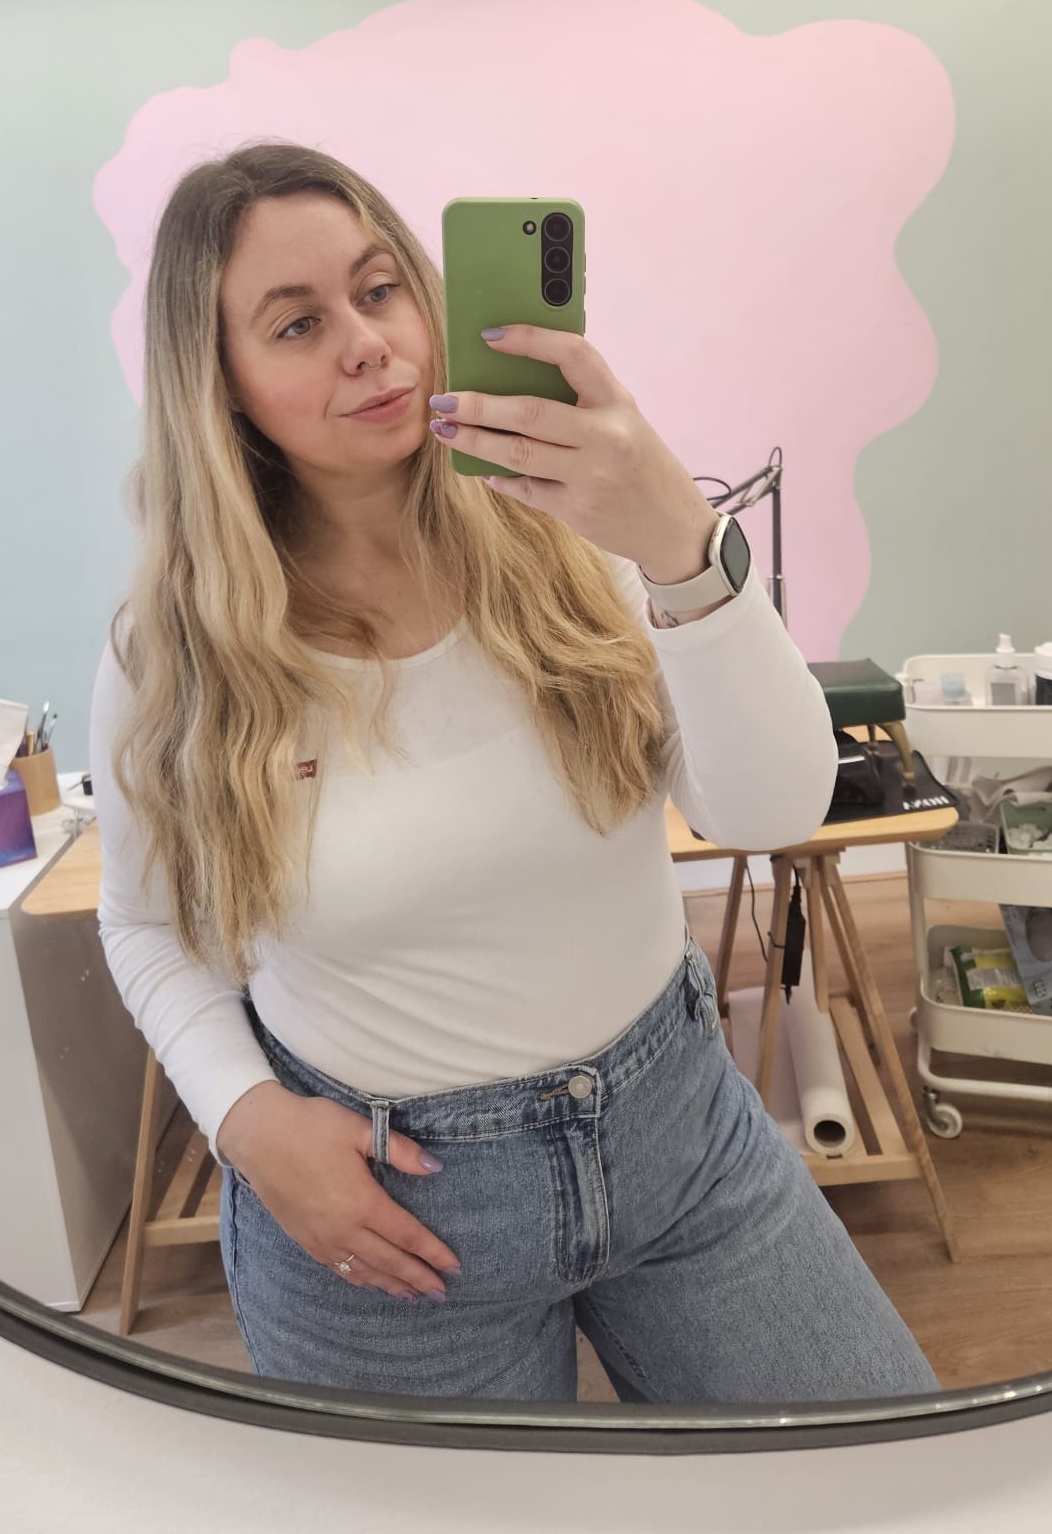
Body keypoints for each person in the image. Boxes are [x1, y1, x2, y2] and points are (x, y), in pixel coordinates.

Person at [90, 141, 937, 1404]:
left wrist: (679, 537)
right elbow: (145, 922)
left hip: (679, 1135)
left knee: (880, 1475)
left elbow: (771, 808)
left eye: (381, 289)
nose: (368, 344)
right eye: (298, 323)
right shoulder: (176, 649)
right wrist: (246, 1119)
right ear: (220, 385)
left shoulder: (574, 530)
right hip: (389, 1215)